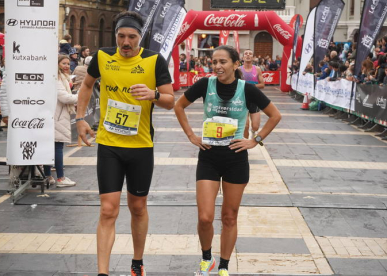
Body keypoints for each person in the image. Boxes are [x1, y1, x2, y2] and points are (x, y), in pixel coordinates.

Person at [76, 11, 174, 276]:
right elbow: (86, 85)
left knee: (137, 207)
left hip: (141, 146)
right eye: (121, 36)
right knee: (108, 210)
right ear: (115, 36)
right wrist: (80, 119)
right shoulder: (102, 57)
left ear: (140, 38)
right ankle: (103, 272)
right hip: (109, 144)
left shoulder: (154, 61)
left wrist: (153, 94)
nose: (126, 42)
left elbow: (170, 101)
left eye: (131, 37)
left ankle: (137, 261)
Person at [174, 45, 281, 276]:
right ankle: (206, 259)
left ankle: (223, 266)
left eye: (223, 62)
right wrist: (191, 136)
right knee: (205, 217)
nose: (218, 66)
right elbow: (178, 105)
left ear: (235, 64)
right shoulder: (205, 84)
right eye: (214, 62)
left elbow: (275, 115)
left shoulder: (247, 89)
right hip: (209, 156)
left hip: (236, 159)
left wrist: (256, 140)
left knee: (229, 217)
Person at [43, 55, 78, 187]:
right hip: (57, 116)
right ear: (56, 64)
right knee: (57, 147)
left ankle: (48, 176)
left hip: (55, 115)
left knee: (50, 147)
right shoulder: (56, 79)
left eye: (68, 64)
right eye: (64, 63)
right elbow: (64, 98)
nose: (67, 66)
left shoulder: (60, 78)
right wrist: (81, 96)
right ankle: (60, 178)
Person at [240, 49, 265, 139]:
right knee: (245, 126)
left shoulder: (257, 69)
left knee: (255, 126)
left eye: (250, 54)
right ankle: (245, 145)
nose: (248, 55)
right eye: (246, 53)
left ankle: (253, 132)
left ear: (253, 57)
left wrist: (251, 87)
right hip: (242, 100)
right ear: (243, 57)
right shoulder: (239, 70)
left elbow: (262, 85)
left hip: (254, 99)